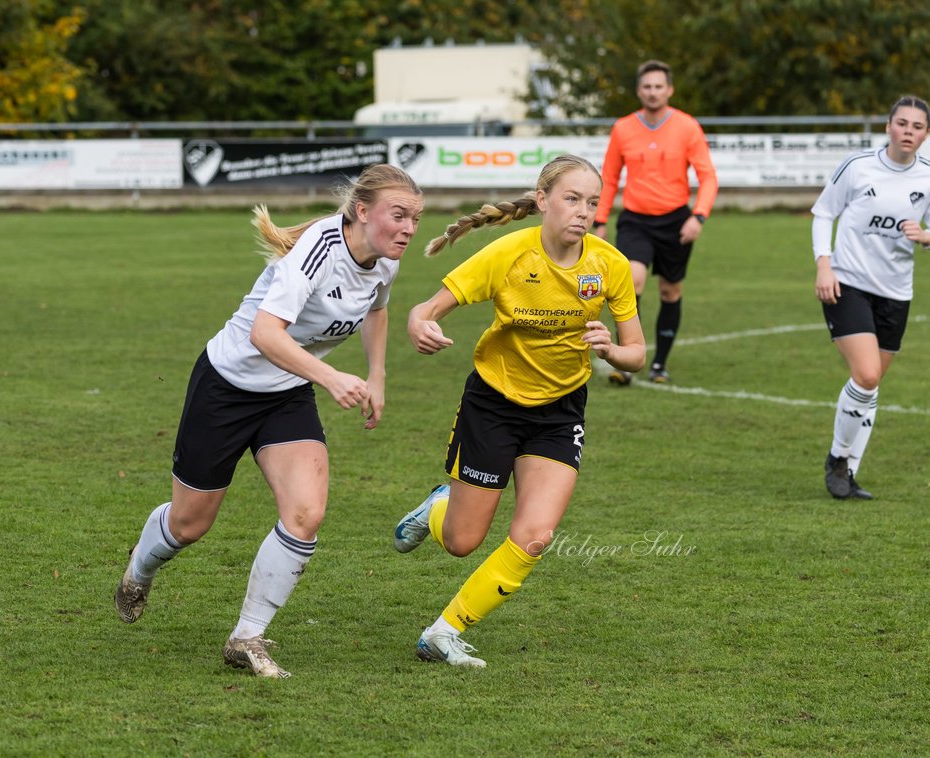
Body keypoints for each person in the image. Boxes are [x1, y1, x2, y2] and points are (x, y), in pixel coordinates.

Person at [114, 163, 424, 677]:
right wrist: (330, 377)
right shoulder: (319, 250)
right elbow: (264, 333)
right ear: (363, 212)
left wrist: (377, 376)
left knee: (307, 512)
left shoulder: (385, 260)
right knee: (190, 523)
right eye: (400, 215)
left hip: (287, 393)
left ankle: (247, 636)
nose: (410, 228)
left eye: (416, 217)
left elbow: (376, 310)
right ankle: (138, 570)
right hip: (226, 386)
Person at [393, 154, 644, 667]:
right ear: (544, 199)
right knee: (462, 541)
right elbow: (426, 308)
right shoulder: (508, 254)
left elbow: (637, 354)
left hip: (560, 410)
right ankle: (439, 507)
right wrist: (420, 325)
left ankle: (443, 632)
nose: (584, 212)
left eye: (593, 202)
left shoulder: (609, 264)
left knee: (534, 539)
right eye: (572, 199)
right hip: (493, 404)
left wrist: (613, 350)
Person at [811, 94, 930, 501]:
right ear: (888, 127)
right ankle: (837, 462)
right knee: (867, 375)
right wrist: (823, 265)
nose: (908, 132)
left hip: (896, 292)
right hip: (847, 283)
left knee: (869, 387)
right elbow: (824, 212)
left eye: (917, 127)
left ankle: (847, 468)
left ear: (925, 133)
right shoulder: (859, 166)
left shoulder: (928, 176)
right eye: (902, 123)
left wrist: (926, 236)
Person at [594, 59, 718, 384]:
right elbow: (609, 177)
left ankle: (660, 364)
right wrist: (600, 220)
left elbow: (708, 178)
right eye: (646, 87)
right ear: (639, 91)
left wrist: (698, 217)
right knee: (632, 282)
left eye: (658, 86)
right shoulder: (623, 128)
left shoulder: (687, 126)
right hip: (635, 220)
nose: (652, 92)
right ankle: (625, 359)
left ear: (669, 90)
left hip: (676, 221)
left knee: (670, 291)